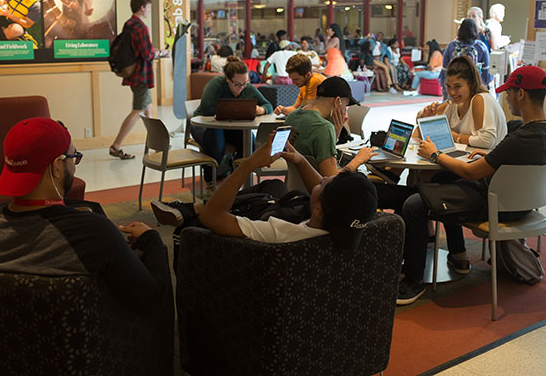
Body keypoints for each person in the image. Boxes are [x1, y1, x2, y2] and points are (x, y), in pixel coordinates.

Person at [0, 118, 169, 317]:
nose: (75, 166)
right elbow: (151, 300)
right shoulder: (94, 234)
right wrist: (151, 239)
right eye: (74, 158)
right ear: (56, 166)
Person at [396, 66, 546, 305]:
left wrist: (435, 155)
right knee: (440, 183)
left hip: (495, 203)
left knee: (414, 204)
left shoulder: (519, 138)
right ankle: (458, 256)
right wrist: (488, 158)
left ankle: (414, 280)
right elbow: (507, 160)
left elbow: (469, 172)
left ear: (521, 94)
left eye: (509, 92)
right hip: (522, 202)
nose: (506, 99)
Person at [152, 134, 379, 253]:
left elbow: (212, 217)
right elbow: (331, 195)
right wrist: (299, 160)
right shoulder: (353, 224)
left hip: (266, 221)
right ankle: (190, 207)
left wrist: (248, 165)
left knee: (255, 201)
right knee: (271, 186)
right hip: (299, 209)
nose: (321, 180)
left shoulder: (282, 234)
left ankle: (191, 210)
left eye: (323, 183)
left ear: (318, 208)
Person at [193, 56, 273, 182]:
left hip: (231, 126)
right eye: (237, 84)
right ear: (227, 80)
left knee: (249, 142)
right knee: (216, 143)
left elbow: (268, 105)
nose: (241, 87)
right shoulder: (216, 84)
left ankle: (235, 177)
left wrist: (261, 110)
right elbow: (207, 108)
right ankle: (210, 179)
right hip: (205, 125)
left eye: (244, 83)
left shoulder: (247, 88)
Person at [285, 76, 375, 177]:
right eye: (345, 105)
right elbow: (331, 178)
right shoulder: (324, 128)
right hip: (321, 189)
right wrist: (358, 160)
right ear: (337, 101)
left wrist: (336, 131)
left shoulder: (292, 116)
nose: (345, 110)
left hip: (297, 184)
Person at [420, 55, 506, 148]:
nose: (452, 92)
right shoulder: (453, 102)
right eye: (448, 86)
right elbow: (420, 118)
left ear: (471, 83)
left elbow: (487, 140)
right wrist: (426, 117)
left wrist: (455, 137)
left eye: (458, 86)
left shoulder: (479, 99)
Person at [110, 0, 155, 160]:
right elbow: (147, 54)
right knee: (139, 110)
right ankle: (116, 145)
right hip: (142, 76)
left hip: (133, 74)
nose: (149, 10)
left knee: (148, 108)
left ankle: (156, 144)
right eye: (148, 7)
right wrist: (160, 52)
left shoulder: (128, 24)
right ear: (142, 8)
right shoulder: (140, 27)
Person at [440, 18, 491, 95]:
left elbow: (444, 69)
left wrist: (445, 88)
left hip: (454, 87)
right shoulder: (481, 47)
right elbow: (486, 72)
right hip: (473, 87)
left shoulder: (451, 46)